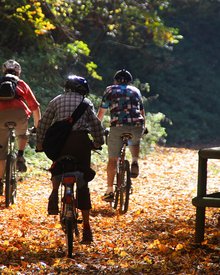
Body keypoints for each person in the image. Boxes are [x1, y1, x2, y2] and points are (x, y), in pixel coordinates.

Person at [36, 74, 104, 243]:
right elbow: (96, 126)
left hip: (60, 143)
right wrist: (98, 143)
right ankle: (87, 228)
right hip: (80, 142)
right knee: (83, 181)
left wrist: (40, 144)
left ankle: (54, 191)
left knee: (58, 165)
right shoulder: (86, 103)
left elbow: (44, 123)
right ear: (83, 89)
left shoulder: (56, 100)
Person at [97, 69, 145, 202]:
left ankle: (109, 191)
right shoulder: (136, 91)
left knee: (113, 160)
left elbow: (101, 112)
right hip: (137, 125)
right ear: (130, 81)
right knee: (135, 141)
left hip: (117, 126)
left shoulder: (110, 90)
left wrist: (96, 127)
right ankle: (135, 161)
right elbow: (142, 111)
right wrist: (143, 127)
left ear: (115, 80)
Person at [0, 59, 41, 195]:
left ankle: (0, 182)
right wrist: (37, 127)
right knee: (22, 134)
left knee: (1, 154)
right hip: (19, 114)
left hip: (0, 115)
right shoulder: (21, 84)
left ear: (4, 71)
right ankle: (20, 155)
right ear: (18, 72)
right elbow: (35, 107)